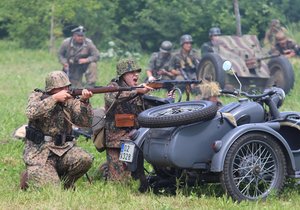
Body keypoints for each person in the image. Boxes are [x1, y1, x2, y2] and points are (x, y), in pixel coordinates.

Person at [20, 71, 94, 190]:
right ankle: (29, 175)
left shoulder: (71, 100)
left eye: (67, 86)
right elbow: (31, 112)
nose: (65, 90)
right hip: (40, 153)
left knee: (85, 159)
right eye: (61, 88)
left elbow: (84, 123)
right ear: (51, 89)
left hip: (63, 150)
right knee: (52, 190)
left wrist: (84, 102)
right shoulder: (37, 96)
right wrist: (54, 99)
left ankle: (67, 184)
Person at [104, 58, 155, 191]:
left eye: (137, 72)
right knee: (119, 184)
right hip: (116, 140)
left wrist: (167, 99)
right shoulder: (113, 87)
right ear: (122, 75)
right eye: (131, 72)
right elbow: (112, 98)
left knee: (140, 182)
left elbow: (146, 109)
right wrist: (137, 91)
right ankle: (106, 169)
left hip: (135, 139)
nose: (136, 75)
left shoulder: (137, 89)